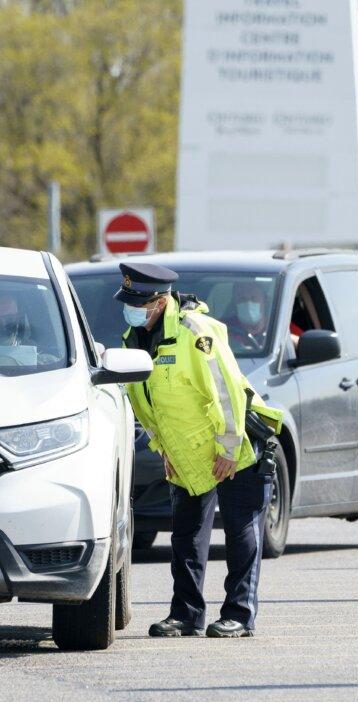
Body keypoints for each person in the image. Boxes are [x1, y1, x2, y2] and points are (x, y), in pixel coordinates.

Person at [115, 261, 283, 639]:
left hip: (232, 445)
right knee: (186, 536)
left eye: (139, 303)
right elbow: (145, 403)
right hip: (186, 452)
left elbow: (225, 391)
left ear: (159, 302)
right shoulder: (133, 339)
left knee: (240, 532)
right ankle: (186, 614)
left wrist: (228, 445)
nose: (131, 310)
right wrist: (164, 448)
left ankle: (239, 615)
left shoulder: (196, 332)